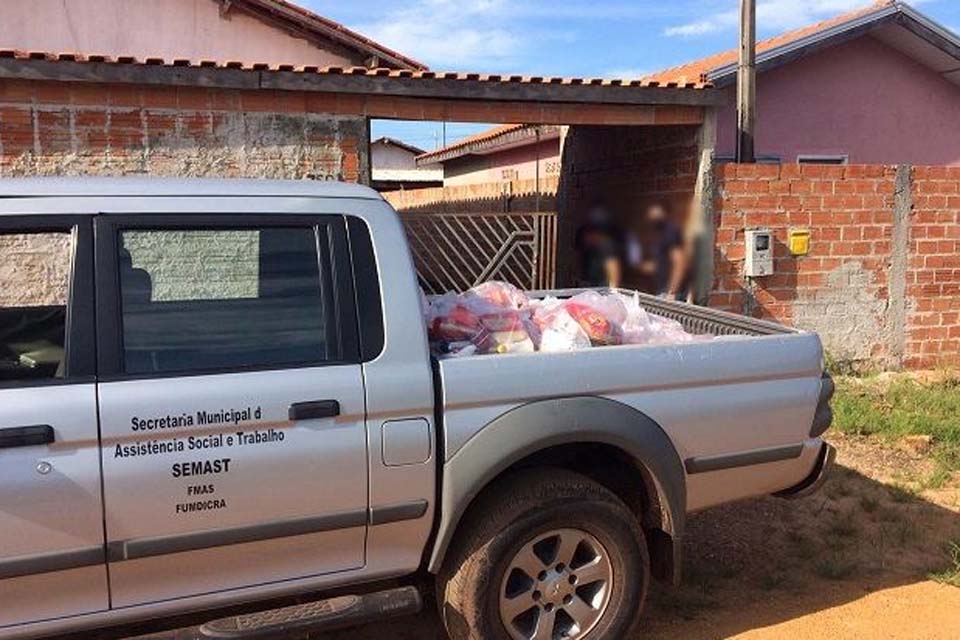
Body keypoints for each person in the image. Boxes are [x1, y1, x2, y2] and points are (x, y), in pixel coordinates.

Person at [643, 202, 689, 301]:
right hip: (661, 289)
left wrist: (672, 291)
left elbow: (680, 263)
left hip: (669, 292)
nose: (652, 214)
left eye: (655, 211)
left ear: (664, 213)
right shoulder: (659, 233)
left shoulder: (671, 232)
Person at [574, 204, 624, 288]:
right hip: (590, 287)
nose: (585, 239)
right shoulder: (590, 248)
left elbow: (613, 272)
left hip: (602, 290)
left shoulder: (606, 246)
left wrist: (613, 292)